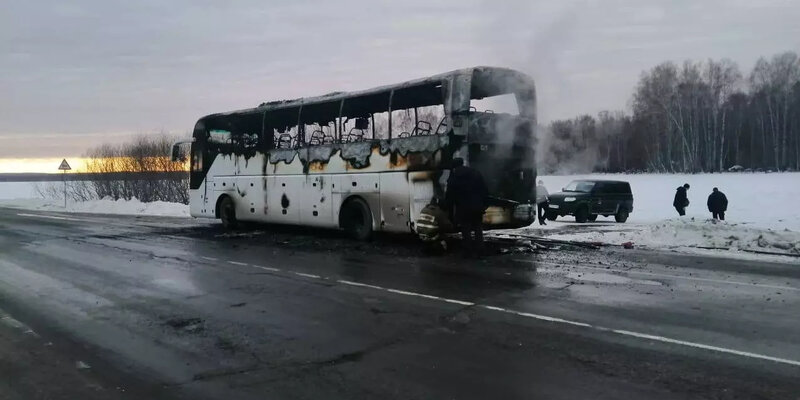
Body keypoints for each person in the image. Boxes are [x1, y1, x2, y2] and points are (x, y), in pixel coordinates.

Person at [445, 158, 488, 257]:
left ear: (454, 167)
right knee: (478, 228)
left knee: (466, 230)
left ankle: (468, 251)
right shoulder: (475, 173)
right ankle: (480, 250)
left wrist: (448, 208)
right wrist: (484, 204)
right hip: (477, 206)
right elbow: (484, 190)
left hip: (463, 208)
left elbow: (450, 196)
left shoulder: (454, 177)